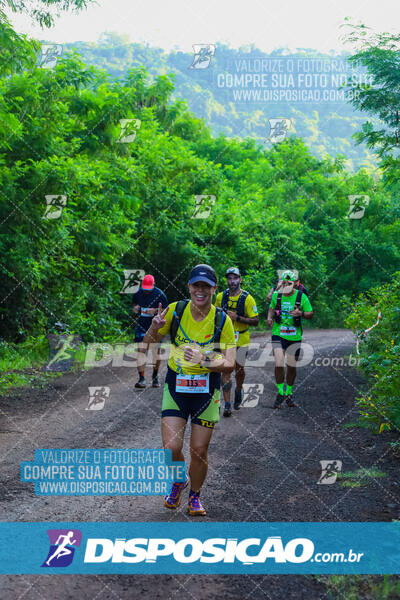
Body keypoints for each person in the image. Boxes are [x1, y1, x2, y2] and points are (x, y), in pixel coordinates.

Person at [143, 264, 236, 516]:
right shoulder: (175, 310)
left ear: (214, 289)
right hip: (177, 385)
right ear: (189, 287)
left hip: (207, 391)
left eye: (206, 286)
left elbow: (230, 363)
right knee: (172, 447)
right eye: (196, 285)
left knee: (199, 449)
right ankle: (177, 481)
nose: (200, 290)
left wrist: (202, 360)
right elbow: (145, 345)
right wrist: (153, 327)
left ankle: (194, 496)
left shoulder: (222, 320)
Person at [215, 267, 259, 416]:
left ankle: (239, 390)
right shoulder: (220, 297)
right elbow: (214, 315)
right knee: (226, 369)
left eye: (235, 278)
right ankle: (227, 405)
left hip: (241, 338)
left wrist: (238, 318)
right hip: (225, 339)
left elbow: (256, 321)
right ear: (226, 280)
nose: (232, 281)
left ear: (240, 279)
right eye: (229, 278)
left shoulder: (248, 298)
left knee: (239, 369)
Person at [267, 270, 313, 408]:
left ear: (295, 284)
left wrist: (301, 313)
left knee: (291, 366)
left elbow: (311, 313)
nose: (286, 285)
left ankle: (289, 392)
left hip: (294, 335)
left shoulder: (301, 297)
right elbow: (271, 307)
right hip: (278, 333)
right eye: (284, 282)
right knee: (279, 363)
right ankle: (280, 392)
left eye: (289, 283)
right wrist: (269, 318)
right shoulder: (277, 295)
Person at [133, 274, 168, 388]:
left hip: (156, 327)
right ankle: (141, 378)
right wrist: (136, 308)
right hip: (142, 326)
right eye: (145, 289)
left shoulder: (160, 294)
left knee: (155, 352)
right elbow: (134, 306)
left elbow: (166, 310)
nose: (147, 291)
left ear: (153, 285)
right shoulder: (138, 293)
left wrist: (156, 310)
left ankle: (155, 377)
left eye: (149, 289)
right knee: (141, 350)